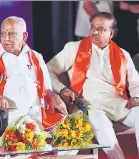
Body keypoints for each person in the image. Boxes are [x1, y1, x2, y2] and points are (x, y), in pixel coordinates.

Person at [47, 12, 139, 159]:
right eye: (92, 27)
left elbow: (135, 82)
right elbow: (47, 70)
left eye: (101, 29)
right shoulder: (73, 48)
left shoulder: (123, 54)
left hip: (115, 102)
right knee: (98, 118)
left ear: (112, 33)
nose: (94, 32)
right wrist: (62, 89)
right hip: (87, 103)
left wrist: (136, 96)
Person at [0, 16, 68, 134]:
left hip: (39, 115)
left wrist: (53, 95)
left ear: (24, 36)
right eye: (3, 33)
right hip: (8, 116)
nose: (6, 38)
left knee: (73, 132)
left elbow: (47, 89)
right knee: (32, 133)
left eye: (11, 34)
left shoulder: (37, 57)